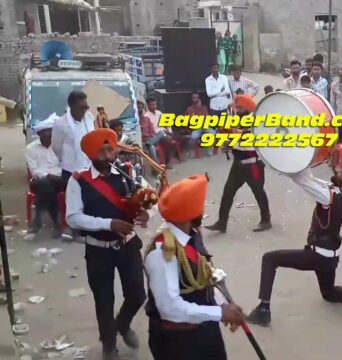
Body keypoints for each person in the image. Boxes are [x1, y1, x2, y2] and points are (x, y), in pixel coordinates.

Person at [246, 161, 342, 326]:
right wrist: (303, 159)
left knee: (269, 259)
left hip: (317, 255)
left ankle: (263, 309)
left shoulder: (328, 196)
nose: (339, 170)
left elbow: (301, 180)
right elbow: (308, 177)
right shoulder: (338, 192)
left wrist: (284, 164)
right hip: (330, 258)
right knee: (328, 293)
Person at [65, 129, 148, 359]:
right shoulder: (79, 180)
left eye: (110, 148)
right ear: (91, 153)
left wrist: (144, 213)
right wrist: (109, 224)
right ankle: (108, 345)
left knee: (137, 294)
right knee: (104, 300)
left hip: (128, 245)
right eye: (101, 150)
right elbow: (72, 217)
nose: (107, 152)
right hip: (98, 249)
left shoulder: (128, 172)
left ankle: (121, 324)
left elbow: (146, 198)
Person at [145, 174, 245, 360]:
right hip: (178, 342)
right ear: (190, 212)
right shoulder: (162, 252)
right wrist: (219, 312)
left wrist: (223, 305)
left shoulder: (191, 236)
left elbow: (204, 275)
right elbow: (170, 308)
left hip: (205, 329)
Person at [205, 95, 271, 234]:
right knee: (228, 192)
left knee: (258, 192)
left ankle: (266, 220)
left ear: (247, 108)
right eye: (237, 107)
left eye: (240, 107)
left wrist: (231, 139)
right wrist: (227, 143)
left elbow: (246, 136)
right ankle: (222, 223)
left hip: (252, 163)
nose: (237, 109)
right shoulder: (237, 120)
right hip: (238, 163)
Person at [26, 117, 63, 238]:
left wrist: (57, 176)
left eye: (52, 130)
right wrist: (48, 176)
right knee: (45, 184)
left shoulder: (60, 146)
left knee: (48, 187)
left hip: (59, 179)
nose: (51, 133)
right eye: (47, 131)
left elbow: (65, 165)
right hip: (39, 181)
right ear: (40, 133)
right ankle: (56, 223)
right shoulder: (31, 148)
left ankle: (38, 219)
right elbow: (34, 170)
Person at [52, 91, 95, 186]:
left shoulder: (89, 118)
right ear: (71, 106)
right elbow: (56, 148)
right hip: (70, 170)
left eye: (86, 107)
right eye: (81, 107)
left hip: (89, 168)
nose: (84, 110)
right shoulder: (60, 123)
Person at [138, 101, 175, 168]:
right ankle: (160, 163)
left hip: (157, 134)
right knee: (162, 138)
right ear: (148, 106)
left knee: (169, 140)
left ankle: (168, 162)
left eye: (155, 104)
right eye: (152, 104)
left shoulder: (158, 113)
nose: (154, 106)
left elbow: (166, 123)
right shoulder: (146, 115)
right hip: (153, 136)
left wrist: (169, 131)